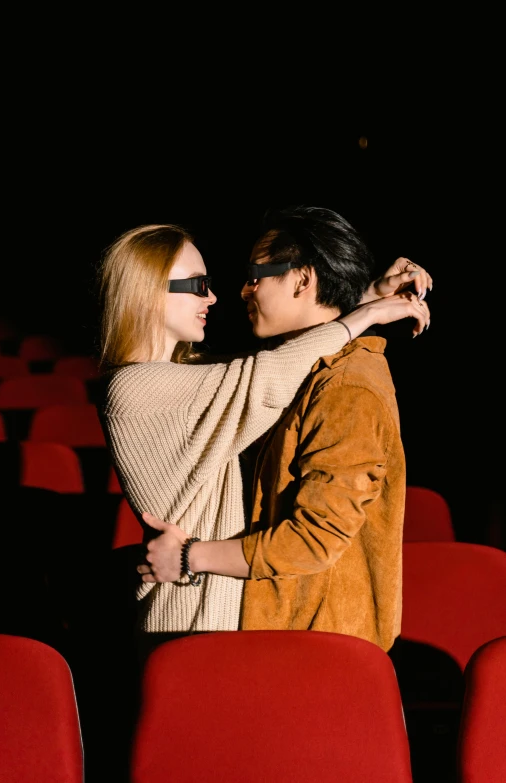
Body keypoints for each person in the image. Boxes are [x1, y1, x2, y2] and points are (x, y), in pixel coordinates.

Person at [97, 215, 431, 655]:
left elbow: (276, 363)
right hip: (194, 617)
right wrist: (367, 312)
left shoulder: (193, 376)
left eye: (251, 276)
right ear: (148, 293)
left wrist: (360, 301)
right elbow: (268, 373)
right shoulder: (132, 387)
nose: (216, 297)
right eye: (198, 286)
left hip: (221, 613)